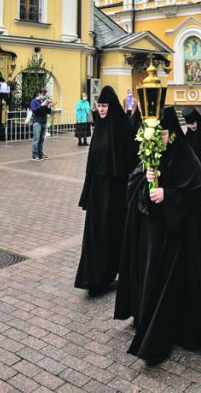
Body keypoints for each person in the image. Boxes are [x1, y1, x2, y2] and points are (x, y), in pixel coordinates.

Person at [114, 107, 201, 365]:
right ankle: (149, 320)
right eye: (154, 135)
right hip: (154, 240)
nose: (158, 140)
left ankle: (177, 331)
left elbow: (198, 198)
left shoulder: (187, 158)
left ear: (171, 133)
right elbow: (133, 190)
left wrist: (169, 195)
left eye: (162, 134)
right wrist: (146, 181)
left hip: (180, 243)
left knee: (176, 286)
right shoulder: (150, 158)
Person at [75, 86, 134, 295]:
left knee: (113, 233)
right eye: (99, 105)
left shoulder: (121, 128)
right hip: (98, 194)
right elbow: (91, 164)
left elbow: (128, 160)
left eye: (105, 106)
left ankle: (111, 274)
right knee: (95, 233)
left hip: (116, 193)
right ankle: (93, 278)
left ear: (112, 106)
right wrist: (88, 193)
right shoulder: (99, 127)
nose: (101, 109)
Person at [29, 88, 52, 160]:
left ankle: (40, 154)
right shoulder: (34, 101)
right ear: (39, 94)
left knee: (42, 139)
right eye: (43, 94)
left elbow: (48, 112)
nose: (44, 95)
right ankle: (34, 155)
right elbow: (34, 110)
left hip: (44, 121)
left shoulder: (44, 101)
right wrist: (41, 105)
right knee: (36, 139)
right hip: (37, 122)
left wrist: (49, 106)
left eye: (45, 94)